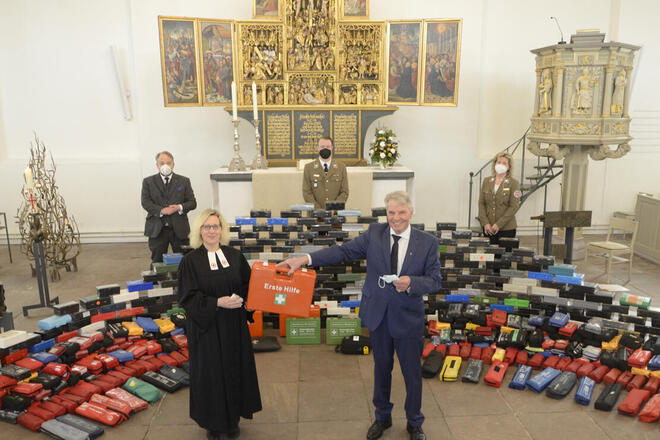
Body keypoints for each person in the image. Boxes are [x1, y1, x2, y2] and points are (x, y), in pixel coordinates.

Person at [278, 191, 441, 440]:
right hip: (378, 317)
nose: (396, 218)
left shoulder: (427, 243)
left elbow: (435, 280)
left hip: (408, 319)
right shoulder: (374, 234)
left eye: (401, 212)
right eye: (391, 213)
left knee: (412, 374)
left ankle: (414, 422)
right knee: (381, 370)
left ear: (411, 212)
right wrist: (304, 259)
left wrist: (411, 283)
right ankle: (382, 417)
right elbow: (342, 252)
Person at [178, 208, 262, 440]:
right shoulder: (190, 262)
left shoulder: (235, 257)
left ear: (222, 230)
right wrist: (217, 302)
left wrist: (250, 302)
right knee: (212, 375)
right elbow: (188, 297)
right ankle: (214, 425)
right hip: (207, 329)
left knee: (235, 370)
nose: (211, 231)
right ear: (200, 231)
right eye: (207, 227)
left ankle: (232, 419)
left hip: (234, 326)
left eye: (215, 226)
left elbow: (248, 286)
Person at [141, 151, 197, 263]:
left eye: (168, 163)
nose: (165, 166)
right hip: (157, 229)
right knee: (157, 260)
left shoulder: (184, 181)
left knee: (185, 260)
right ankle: (157, 276)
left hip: (179, 228)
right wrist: (161, 210)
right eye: (162, 163)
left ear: (173, 164)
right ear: (157, 165)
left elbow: (192, 203)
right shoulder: (148, 182)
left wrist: (179, 207)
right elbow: (145, 202)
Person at [478, 152, 521, 245]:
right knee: (489, 253)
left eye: (504, 163)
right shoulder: (486, 181)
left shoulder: (514, 183)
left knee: (505, 254)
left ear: (509, 167)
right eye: (499, 162)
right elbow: (481, 203)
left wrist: (498, 224)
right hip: (488, 228)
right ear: (495, 164)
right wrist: (485, 223)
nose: (501, 165)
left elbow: (514, 207)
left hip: (507, 229)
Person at [302, 136, 349, 209]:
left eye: (328, 146)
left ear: (332, 148)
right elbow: (306, 193)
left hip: (335, 213)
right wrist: (319, 211)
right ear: (317, 148)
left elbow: (344, 192)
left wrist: (333, 208)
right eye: (322, 146)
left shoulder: (341, 167)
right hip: (315, 213)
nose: (325, 149)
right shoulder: (308, 168)